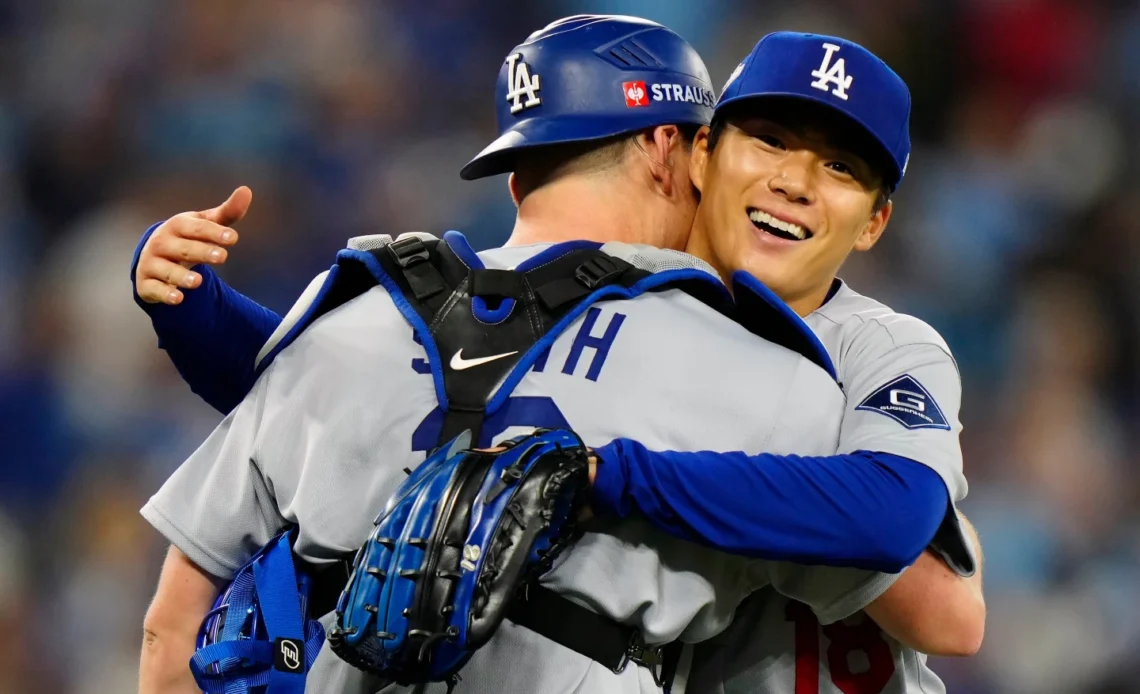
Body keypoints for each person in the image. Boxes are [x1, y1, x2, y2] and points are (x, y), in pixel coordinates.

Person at [135, 17, 979, 694]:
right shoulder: (601, 309)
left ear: (874, 222)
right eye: (769, 141)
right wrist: (197, 312)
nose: (794, 181)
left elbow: (948, 610)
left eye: (838, 166)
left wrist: (605, 475)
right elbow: (372, 396)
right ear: (694, 151)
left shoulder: (850, 356)